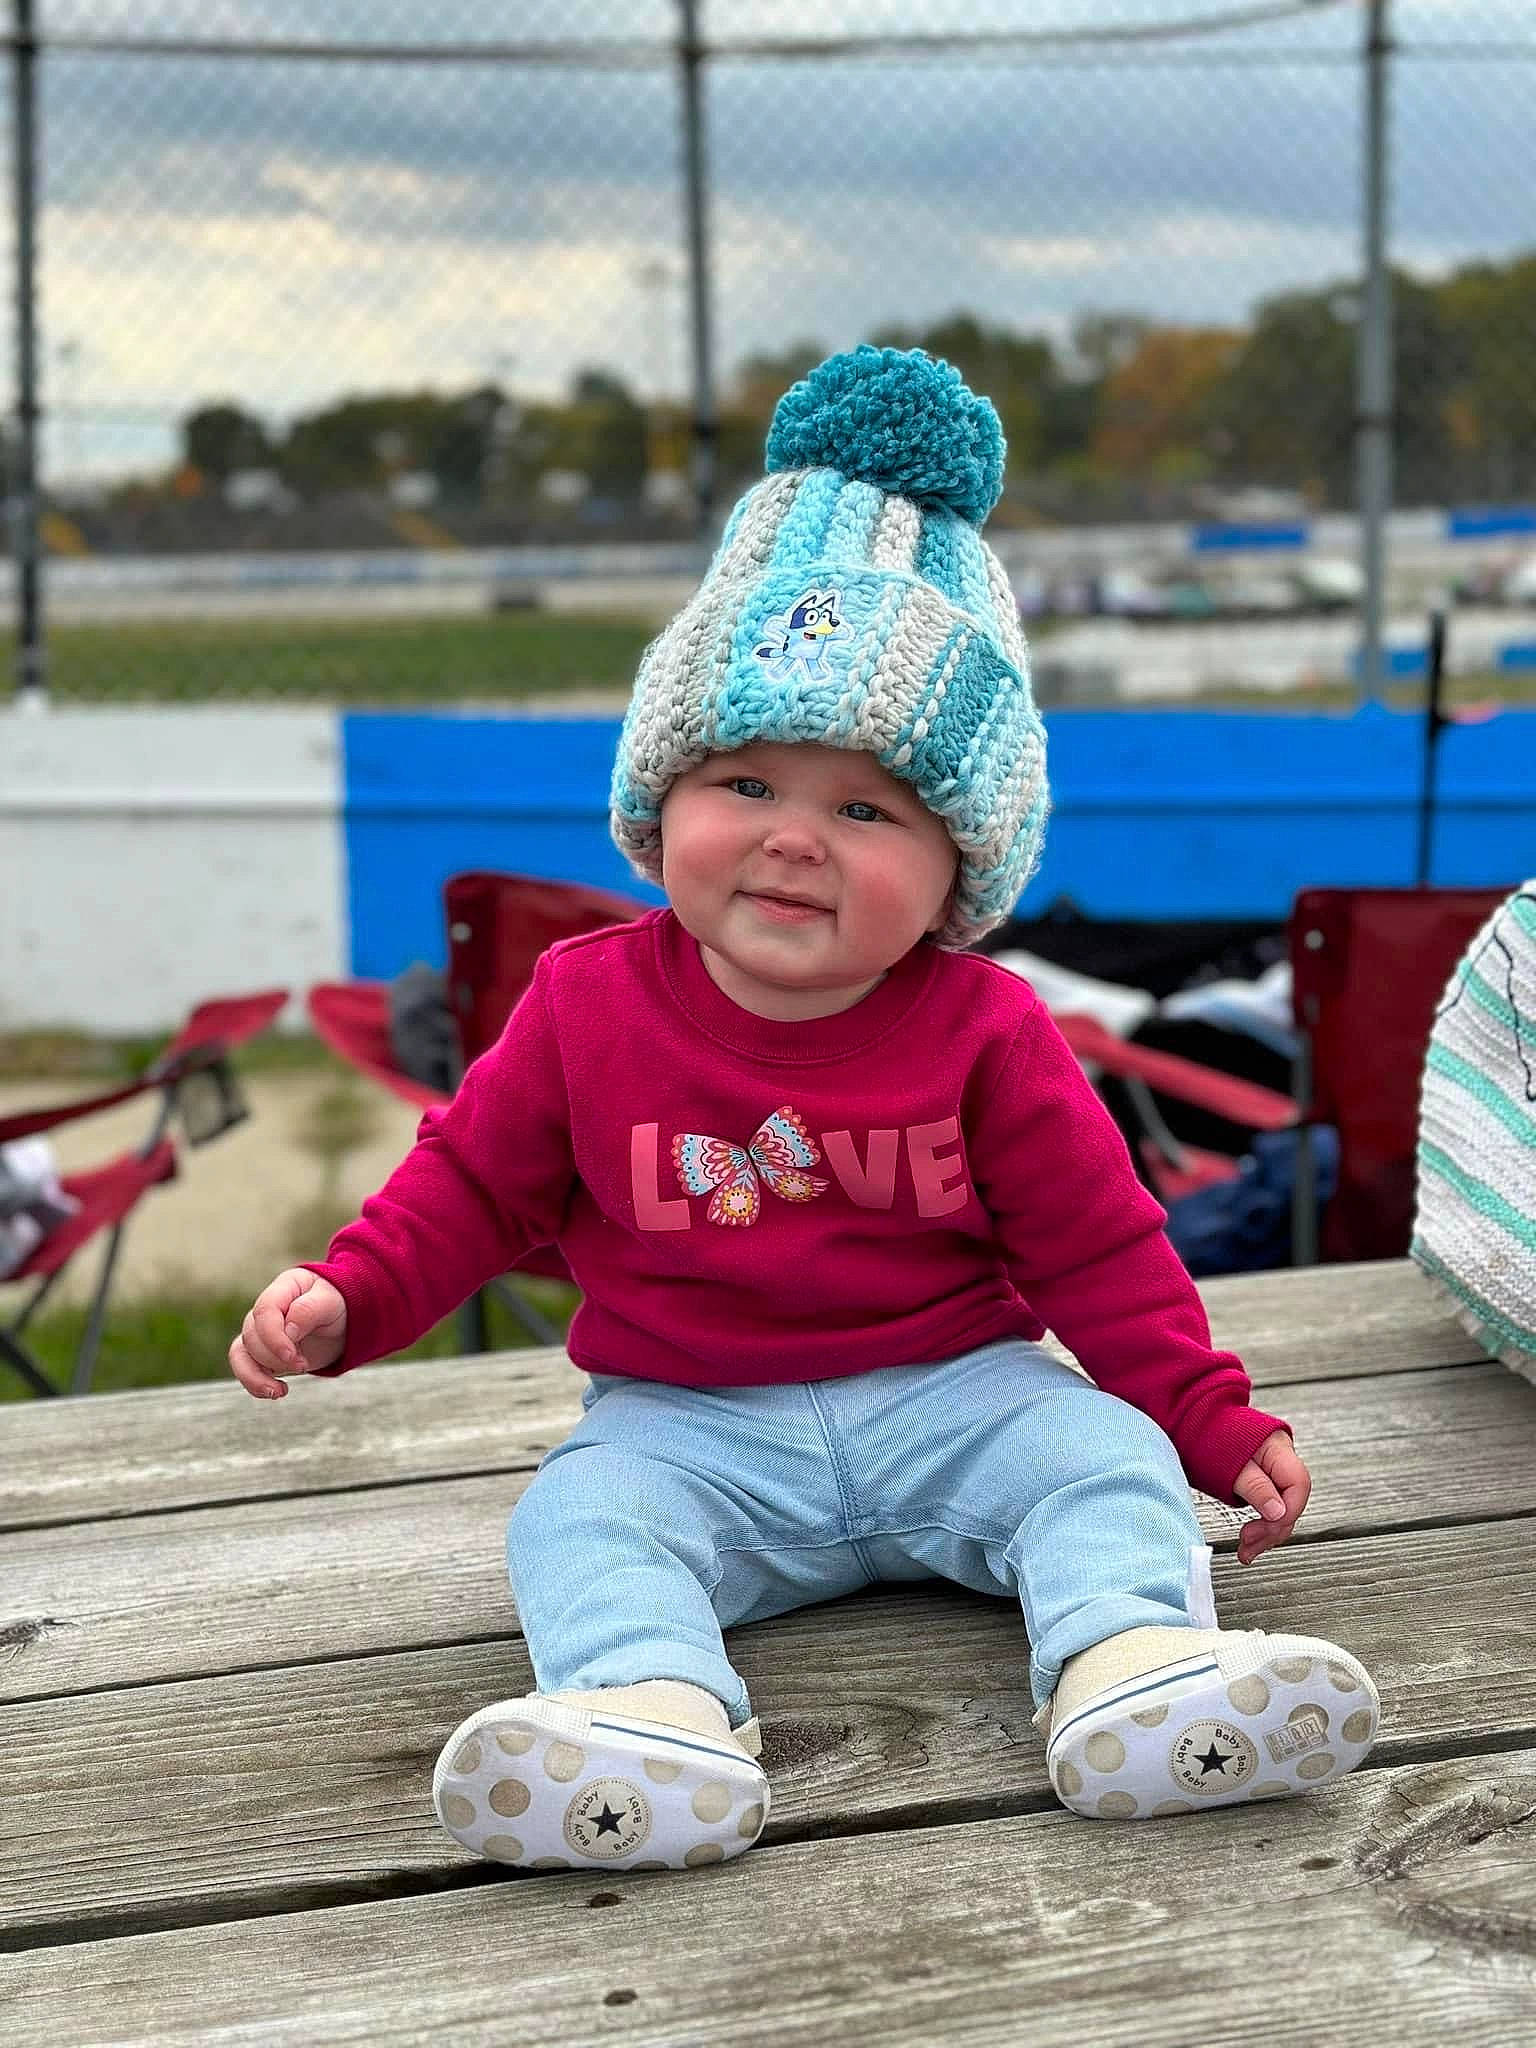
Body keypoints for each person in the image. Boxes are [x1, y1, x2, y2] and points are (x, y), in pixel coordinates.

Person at [229, 346, 1379, 1871]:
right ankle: (650, 1723)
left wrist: (1200, 1416)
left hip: (956, 1395)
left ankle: (1136, 1680)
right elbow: (471, 1190)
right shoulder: (583, 1003)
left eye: (864, 808)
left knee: (1097, 1464)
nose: (792, 842)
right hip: (686, 1423)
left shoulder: (987, 1028)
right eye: (747, 785)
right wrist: (350, 1293)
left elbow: (1102, 1249)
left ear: (961, 867)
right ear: (660, 804)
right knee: (579, 1521)